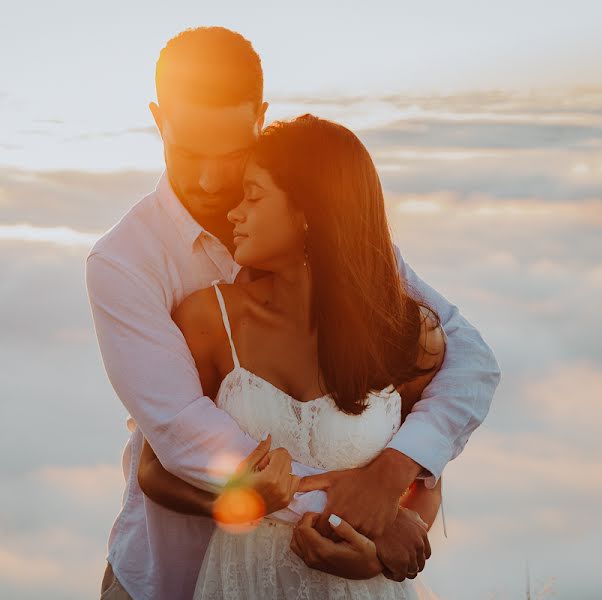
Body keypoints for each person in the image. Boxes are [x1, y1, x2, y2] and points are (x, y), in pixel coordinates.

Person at [86, 26, 501, 600]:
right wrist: (366, 520)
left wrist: (396, 471)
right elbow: (181, 437)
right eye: (186, 152)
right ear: (159, 120)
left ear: (260, 117)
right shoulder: (125, 263)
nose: (209, 182)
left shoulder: (333, 233)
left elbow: (468, 361)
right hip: (170, 572)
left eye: (229, 156)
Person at [138, 113, 447, 599]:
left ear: (308, 212)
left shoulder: (407, 333)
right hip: (242, 585)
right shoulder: (210, 320)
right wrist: (238, 500)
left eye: (253, 196)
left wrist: (377, 557)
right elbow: (154, 472)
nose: (234, 212)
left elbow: (424, 481)